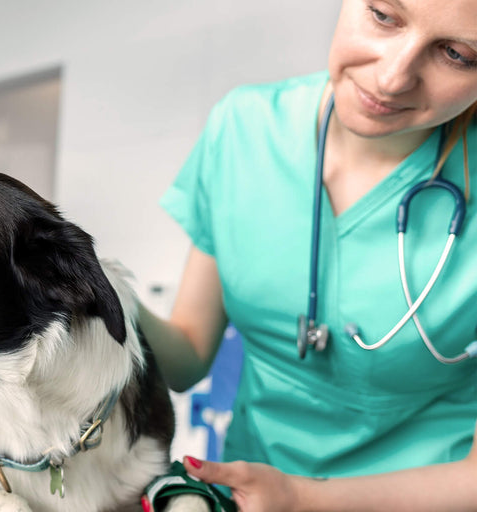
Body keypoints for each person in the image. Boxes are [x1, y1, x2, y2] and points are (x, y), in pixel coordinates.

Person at [139, 0, 477, 510]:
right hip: (250, 492)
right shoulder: (244, 128)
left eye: (456, 53)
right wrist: (98, 286)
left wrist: (302, 498)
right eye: (384, 15)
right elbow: (185, 358)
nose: (390, 78)